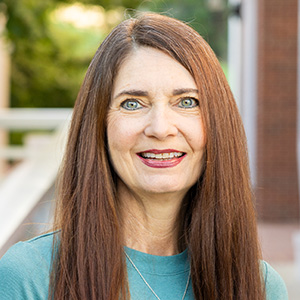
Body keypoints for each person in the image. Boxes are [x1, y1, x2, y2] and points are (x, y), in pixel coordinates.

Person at [0, 13, 288, 300]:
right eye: (133, 103)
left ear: (218, 124)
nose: (161, 128)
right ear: (98, 124)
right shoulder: (30, 278)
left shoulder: (260, 286)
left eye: (187, 102)